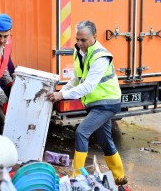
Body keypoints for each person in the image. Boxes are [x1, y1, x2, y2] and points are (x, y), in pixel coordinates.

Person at [46, 20, 127, 185]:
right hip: (96, 103)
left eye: (83, 40)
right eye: (77, 39)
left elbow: (88, 86)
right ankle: (119, 178)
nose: (79, 43)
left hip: (107, 102)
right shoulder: (79, 52)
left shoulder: (100, 56)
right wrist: (61, 92)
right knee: (105, 140)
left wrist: (63, 96)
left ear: (95, 37)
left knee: (81, 132)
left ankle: (75, 178)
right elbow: (76, 79)